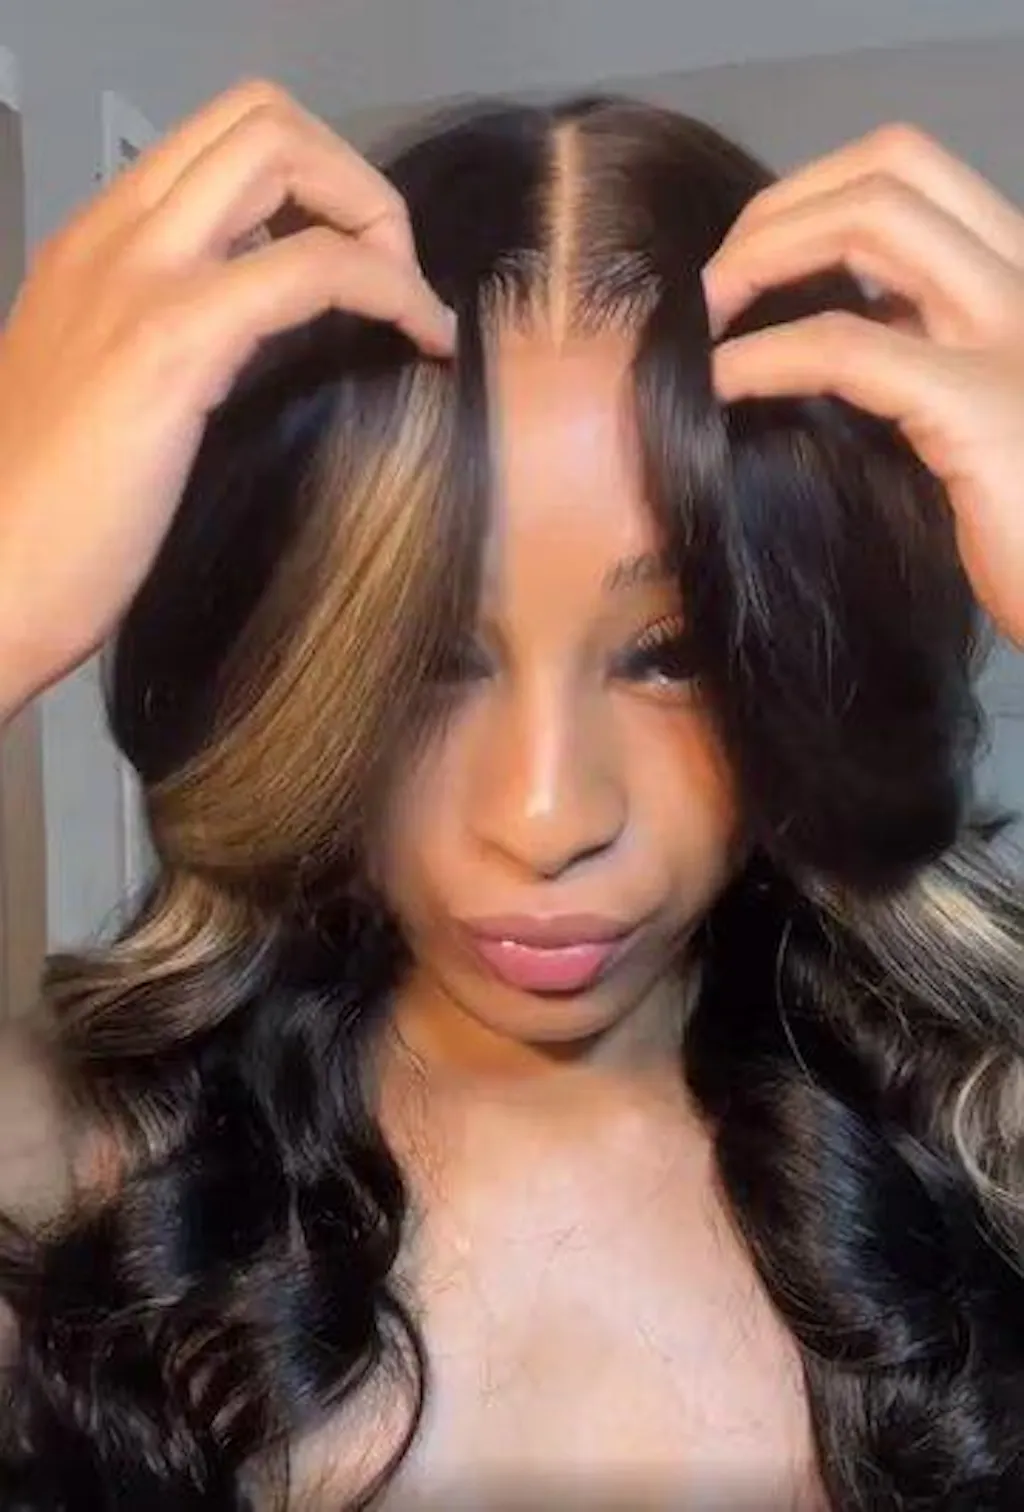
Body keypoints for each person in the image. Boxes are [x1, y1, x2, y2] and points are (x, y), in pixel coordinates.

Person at [0, 77, 1021, 1512]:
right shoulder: (77, 1182)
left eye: (669, 655)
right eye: (429, 659)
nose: (547, 819)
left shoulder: (983, 1146)